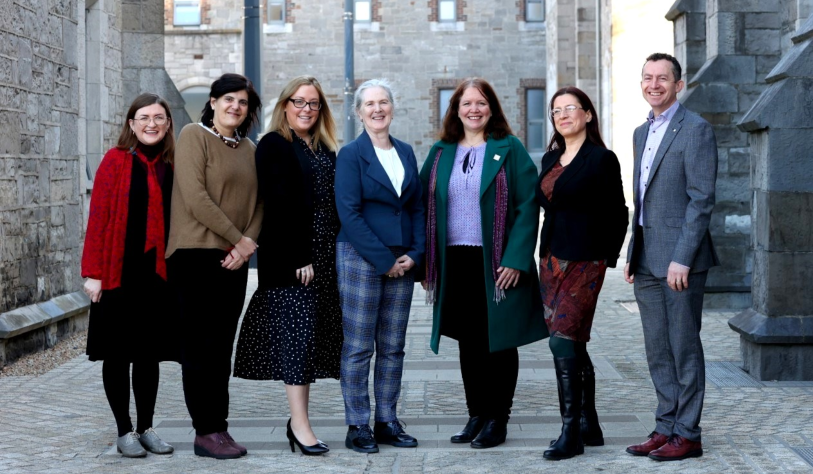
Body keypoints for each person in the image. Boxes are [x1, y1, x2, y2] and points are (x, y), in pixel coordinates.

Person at [420, 78, 547, 449]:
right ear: (455, 110)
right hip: (454, 259)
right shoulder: (442, 151)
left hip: (496, 263)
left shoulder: (509, 149)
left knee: (499, 341)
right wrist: (426, 261)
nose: (473, 109)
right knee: (468, 340)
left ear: (491, 108)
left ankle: (498, 418)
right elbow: (423, 204)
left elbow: (528, 207)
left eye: (481, 103)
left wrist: (517, 259)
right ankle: (476, 413)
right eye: (466, 104)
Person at [233, 76, 341, 456]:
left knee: (309, 343)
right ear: (285, 105)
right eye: (299, 102)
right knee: (295, 342)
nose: (306, 109)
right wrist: (300, 257)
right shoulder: (274, 145)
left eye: (313, 104)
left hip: (326, 257)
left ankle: (301, 423)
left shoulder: (325, 149)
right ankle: (300, 425)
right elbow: (277, 207)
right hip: (294, 259)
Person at [624, 53, 719, 462]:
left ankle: (688, 433)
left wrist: (682, 257)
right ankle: (666, 426)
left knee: (683, 347)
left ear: (678, 85)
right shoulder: (640, 133)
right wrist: (632, 252)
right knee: (657, 348)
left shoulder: (696, 130)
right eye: (648, 77)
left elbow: (701, 201)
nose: (654, 84)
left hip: (681, 262)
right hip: (646, 257)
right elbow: (642, 201)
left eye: (663, 78)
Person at [166, 73, 263, 460]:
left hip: (234, 259)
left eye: (242, 102)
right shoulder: (193, 136)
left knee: (222, 347)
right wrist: (237, 238)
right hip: (195, 254)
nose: (235, 107)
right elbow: (195, 197)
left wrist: (247, 245)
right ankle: (204, 431)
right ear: (213, 101)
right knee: (199, 347)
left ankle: (219, 426)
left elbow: (261, 203)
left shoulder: (251, 150)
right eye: (228, 99)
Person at [81, 93, 178, 458]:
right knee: (118, 355)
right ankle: (124, 430)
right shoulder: (115, 161)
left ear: (168, 124)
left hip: (158, 276)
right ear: (131, 124)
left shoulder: (173, 164)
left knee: (148, 355)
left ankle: (146, 427)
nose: (151, 124)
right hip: (118, 273)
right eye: (143, 117)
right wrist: (93, 274)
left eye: (158, 117)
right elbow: (98, 219)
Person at [535, 87, 628, 460]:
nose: (563, 115)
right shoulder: (550, 158)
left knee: (561, 340)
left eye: (570, 108)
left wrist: (608, 258)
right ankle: (590, 424)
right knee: (573, 341)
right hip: (551, 259)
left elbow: (618, 211)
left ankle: (569, 431)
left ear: (588, 114)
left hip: (585, 259)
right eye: (556, 110)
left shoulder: (602, 159)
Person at [334, 79, 425, 454]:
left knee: (392, 346)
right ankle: (358, 425)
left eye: (383, 102)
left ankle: (387, 420)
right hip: (360, 257)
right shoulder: (351, 154)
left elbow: (417, 207)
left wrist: (415, 253)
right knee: (358, 347)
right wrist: (385, 260)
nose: (377, 109)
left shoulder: (405, 152)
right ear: (358, 112)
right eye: (369, 104)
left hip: (402, 260)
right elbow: (350, 214)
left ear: (392, 107)